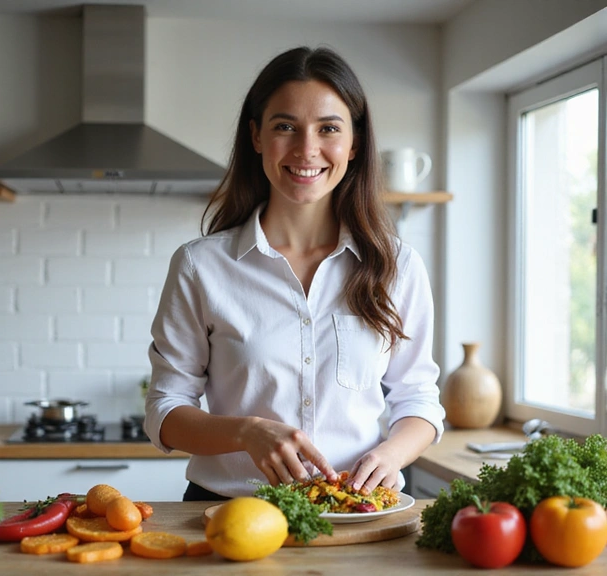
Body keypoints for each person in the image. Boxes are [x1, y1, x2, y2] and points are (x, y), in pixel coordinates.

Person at [144, 45, 445, 501]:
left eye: (328, 128)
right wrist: (247, 432)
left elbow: (419, 398)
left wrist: (391, 455)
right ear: (257, 136)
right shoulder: (200, 266)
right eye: (285, 126)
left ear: (355, 143)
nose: (307, 149)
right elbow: (164, 410)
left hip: (357, 511)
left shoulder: (397, 266)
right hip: (230, 512)